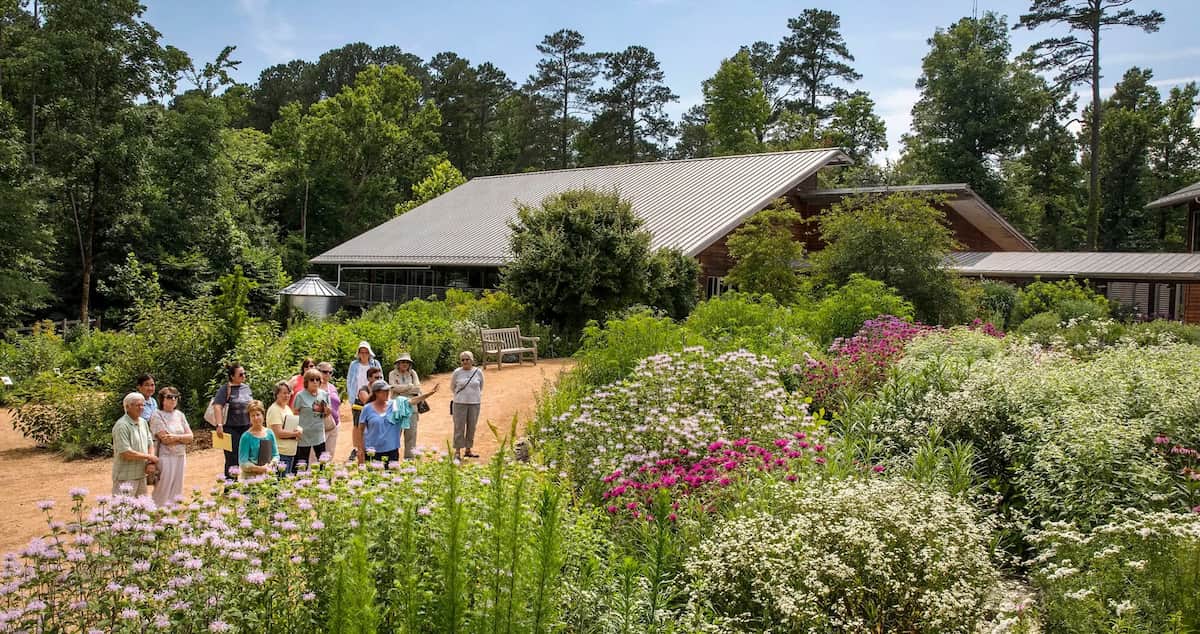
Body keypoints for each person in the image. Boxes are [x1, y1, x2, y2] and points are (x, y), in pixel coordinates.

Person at [354, 379, 438, 465]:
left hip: (391, 451)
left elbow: (412, 401)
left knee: (391, 473)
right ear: (376, 393)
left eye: (388, 391)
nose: (387, 393)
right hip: (372, 451)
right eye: (384, 391)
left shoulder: (396, 404)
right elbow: (360, 430)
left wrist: (429, 394)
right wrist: (360, 449)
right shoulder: (367, 408)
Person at [150, 386, 192, 507]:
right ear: (162, 399)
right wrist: (182, 438)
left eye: (176, 397)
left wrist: (175, 437)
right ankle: (157, 514)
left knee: (177, 488)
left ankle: (172, 514)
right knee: (163, 488)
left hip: (180, 455)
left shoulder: (180, 415)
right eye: (169, 397)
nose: (173, 399)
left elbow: (190, 437)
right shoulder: (157, 415)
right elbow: (166, 440)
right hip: (165, 456)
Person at [213, 363, 253, 480]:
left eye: (244, 373)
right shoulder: (225, 389)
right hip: (231, 428)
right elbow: (217, 406)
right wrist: (219, 425)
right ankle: (231, 485)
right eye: (240, 374)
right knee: (232, 459)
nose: (243, 376)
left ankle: (248, 483)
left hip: (246, 427)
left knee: (248, 456)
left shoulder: (246, 388)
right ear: (232, 376)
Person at [112, 392, 157, 496]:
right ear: (127, 407)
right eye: (137, 405)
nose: (141, 408)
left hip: (141, 474)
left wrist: (150, 462)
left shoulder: (143, 422)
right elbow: (125, 453)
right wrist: (149, 457)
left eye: (143, 405)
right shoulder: (121, 426)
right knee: (123, 505)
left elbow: (150, 443)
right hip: (125, 476)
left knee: (142, 505)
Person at [293, 368, 333, 470]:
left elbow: (326, 413)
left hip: (319, 434)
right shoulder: (300, 396)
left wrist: (327, 411)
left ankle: (324, 479)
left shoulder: (324, 394)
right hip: (304, 435)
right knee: (302, 464)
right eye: (312, 379)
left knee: (323, 463)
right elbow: (295, 413)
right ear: (306, 382)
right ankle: (302, 480)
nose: (315, 382)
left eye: (317, 379)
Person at [450, 351, 484, 460]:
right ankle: (457, 451)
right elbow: (452, 387)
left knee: (472, 427)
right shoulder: (457, 372)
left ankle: (468, 450)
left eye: (467, 359)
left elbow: (481, 386)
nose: (465, 361)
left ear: (472, 360)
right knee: (459, 427)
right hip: (459, 403)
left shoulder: (478, 372)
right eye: (463, 360)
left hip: (474, 403)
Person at [389, 353, 423, 459]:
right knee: (395, 434)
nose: (405, 364)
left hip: (411, 407)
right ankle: (393, 459)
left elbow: (417, 389)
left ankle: (409, 460)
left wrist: (401, 390)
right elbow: (393, 388)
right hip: (397, 408)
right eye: (402, 362)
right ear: (398, 363)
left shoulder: (413, 373)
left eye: (407, 362)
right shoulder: (392, 374)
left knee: (411, 435)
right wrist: (409, 386)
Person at [267, 381, 302, 473]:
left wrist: (299, 430)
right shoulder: (275, 410)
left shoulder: (287, 408)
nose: (287, 396)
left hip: (289, 453)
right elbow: (279, 433)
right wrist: (295, 433)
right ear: (277, 394)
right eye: (284, 393)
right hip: (280, 453)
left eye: (288, 393)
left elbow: (291, 426)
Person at [238, 400, 279, 478]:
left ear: (263, 415)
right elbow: (243, 462)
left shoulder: (270, 433)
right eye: (252, 416)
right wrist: (258, 468)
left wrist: (271, 464)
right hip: (251, 478)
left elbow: (276, 455)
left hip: (268, 475)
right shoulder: (246, 437)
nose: (256, 418)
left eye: (258, 414)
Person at [317, 361, 342, 457]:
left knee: (329, 455)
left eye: (330, 372)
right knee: (315, 457)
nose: (328, 374)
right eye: (325, 372)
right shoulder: (314, 388)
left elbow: (337, 404)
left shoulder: (332, 387)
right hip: (319, 427)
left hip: (334, 425)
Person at [346, 342, 381, 412]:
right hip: (357, 398)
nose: (364, 354)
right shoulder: (353, 364)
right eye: (362, 352)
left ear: (369, 353)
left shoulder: (375, 363)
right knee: (358, 418)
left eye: (366, 352)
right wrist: (350, 396)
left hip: (372, 397)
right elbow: (349, 380)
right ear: (358, 353)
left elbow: (381, 379)